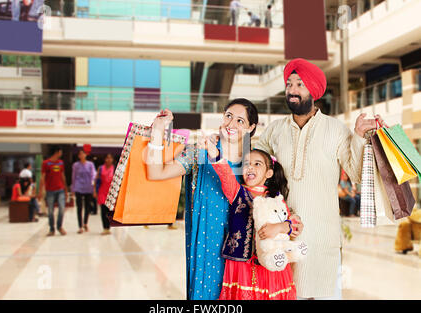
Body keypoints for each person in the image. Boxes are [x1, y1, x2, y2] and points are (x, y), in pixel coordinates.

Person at [254, 58, 387, 300]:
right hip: (284, 236)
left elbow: (356, 174)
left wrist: (358, 137)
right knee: (286, 294)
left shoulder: (335, 129)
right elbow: (254, 170)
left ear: (313, 91)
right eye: (289, 84)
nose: (292, 91)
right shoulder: (274, 130)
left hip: (323, 236)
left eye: (299, 84)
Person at [146, 99, 260, 300]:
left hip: (243, 253)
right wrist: (158, 131)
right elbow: (156, 173)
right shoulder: (199, 154)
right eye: (228, 116)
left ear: (251, 127)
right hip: (207, 249)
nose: (231, 124)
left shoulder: (254, 162)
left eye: (240, 121)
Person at [206, 145, 303, 300]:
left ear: (269, 173)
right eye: (246, 164)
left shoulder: (276, 199)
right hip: (241, 264)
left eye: (257, 164)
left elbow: (291, 226)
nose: (250, 167)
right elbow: (225, 174)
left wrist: (280, 227)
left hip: (269, 263)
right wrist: (215, 155)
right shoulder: (236, 192)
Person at [38, 146, 69, 236]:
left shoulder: (60, 163)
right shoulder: (46, 163)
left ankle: (59, 226)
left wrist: (66, 190)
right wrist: (40, 191)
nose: (61, 153)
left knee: (62, 209)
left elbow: (63, 177)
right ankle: (52, 229)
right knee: (50, 211)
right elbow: (42, 178)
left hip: (60, 190)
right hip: (50, 191)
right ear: (57, 152)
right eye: (61, 151)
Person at [72, 149, 96, 234]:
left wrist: (93, 185)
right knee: (79, 207)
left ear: (85, 155)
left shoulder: (90, 164)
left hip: (88, 187)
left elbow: (93, 175)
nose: (82, 155)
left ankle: (85, 223)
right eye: (80, 154)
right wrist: (73, 189)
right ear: (78, 156)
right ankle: (80, 226)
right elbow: (73, 177)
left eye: (83, 154)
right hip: (78, 187)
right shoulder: (75, 165)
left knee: (87, 207)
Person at [94, 153, 115, 235]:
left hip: (111, 193)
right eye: (107, 158)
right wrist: (94, 191)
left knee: (109, 211)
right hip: (102, 192)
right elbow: (96, 180)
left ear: (112, 160)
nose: (108, 160)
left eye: (110, 158)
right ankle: (105, 228)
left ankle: (108, 226)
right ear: (104, 159)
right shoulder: (100, 168)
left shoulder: (115, 168)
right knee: (103, 211)